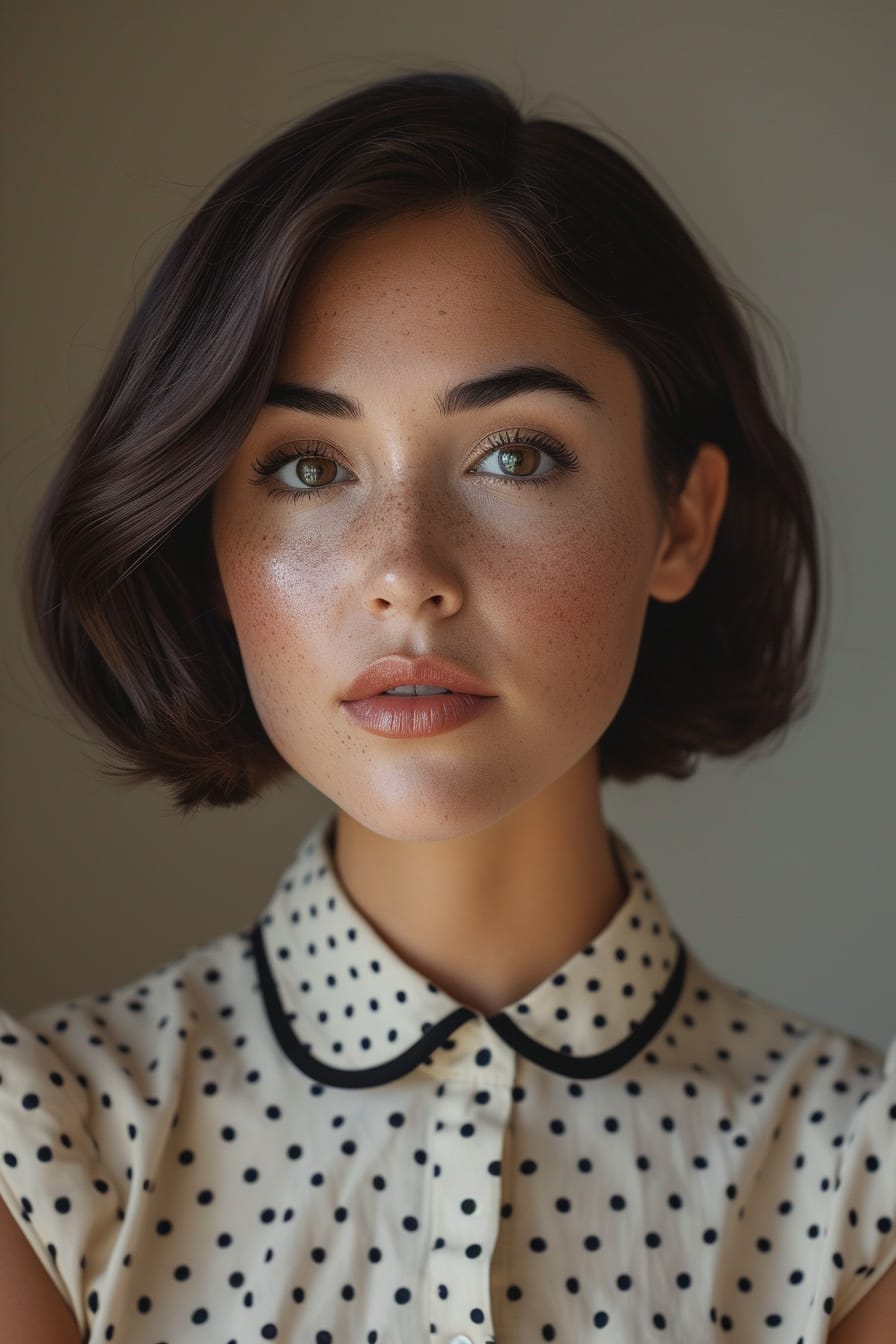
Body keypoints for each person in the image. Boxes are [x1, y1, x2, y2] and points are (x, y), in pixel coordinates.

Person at [1, 69, 892, 1343]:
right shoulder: (40, 1156)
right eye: (304, 465)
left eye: (513, 454)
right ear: (208, 536)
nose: (404, 570)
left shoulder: (858, 1187)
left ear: (679, 523)